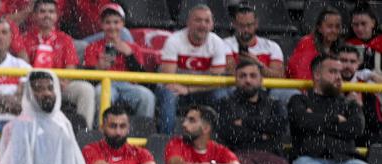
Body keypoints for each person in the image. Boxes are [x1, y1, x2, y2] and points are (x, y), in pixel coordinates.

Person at [289, 54, 382, 164]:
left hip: (345, 159)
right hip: (309, 157)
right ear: (317, 75)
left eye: (339, 73)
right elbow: (302, 121)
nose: (339, 77)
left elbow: (355, 129)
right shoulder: (299, 100)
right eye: (332, 72)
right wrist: (336, 120)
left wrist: (316, 121)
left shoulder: (348, 104)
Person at [216, 59, 294, 164]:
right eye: (243, 76)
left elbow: (279, 127)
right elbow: (228, 132)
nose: (248, 80)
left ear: (261, 79)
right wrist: (263, 134)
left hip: (270, 153)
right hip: (238, 153)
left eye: (253, 76)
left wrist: (245, 122)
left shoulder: (274, 104)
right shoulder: (225, 103)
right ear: (236, 79)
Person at [20, 0, 96, 129]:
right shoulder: (25, 38)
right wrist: (40, 85)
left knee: (86, 89)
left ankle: (85, 133)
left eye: (51, 12)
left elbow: (70, 69)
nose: (47, 15)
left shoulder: (65, 39)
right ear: (34, 15)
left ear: (57, 16)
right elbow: (23, 67)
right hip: (33, 85)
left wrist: (58, 83)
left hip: (60, 85)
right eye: (42, 11)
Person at [157, 4, 230, 134]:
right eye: (198, 20)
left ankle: (220, 139)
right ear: (188, 23)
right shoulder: (174, 40)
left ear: (212, 25)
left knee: (222, 95)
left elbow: (218, 81)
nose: (202, 25)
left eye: (207, 21)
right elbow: (168, 78)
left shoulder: (218, 43)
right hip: (177, 89)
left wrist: (189, 89)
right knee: (168, 95)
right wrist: (186, 88)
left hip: (200, 90)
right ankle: (166, 140)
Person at [82, 3, 156, 119]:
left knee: (147, 96)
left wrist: (129, 55)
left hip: (128, 85)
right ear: (101, 25)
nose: (112, 27)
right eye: (108, 22)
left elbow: (143, 78)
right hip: (106, 84)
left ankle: (142, 133)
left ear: (122, 24)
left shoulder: (133, 47)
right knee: (100, 94)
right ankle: (100, 132)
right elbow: (87, 79)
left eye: (116, 22)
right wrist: (98, 68)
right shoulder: (92, 47)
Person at [223, 4, 297, 105]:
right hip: (236, 88)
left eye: (249, 25)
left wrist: (259, 65)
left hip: (267, 90)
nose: (245, 30)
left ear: (256, 24)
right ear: (234, 24)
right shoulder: (224, 44)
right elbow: (227, 72)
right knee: (223, 93)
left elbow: (279, 77)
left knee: (292, 94)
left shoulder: (271, 47)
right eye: (241, 25)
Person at [338, 44, 382, 146]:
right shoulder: (328, 81)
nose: (348, 65)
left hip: (364, 135)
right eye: (343, 60)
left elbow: (374, 123)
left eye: (352, 61)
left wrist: (360, 107)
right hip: (337, 136)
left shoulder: (366, 83)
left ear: (359, 63)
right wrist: (346, 104)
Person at [287, 7, 343, 80]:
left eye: (337, 27)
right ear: (319, 28)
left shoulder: (340, 47)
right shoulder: (307, 43)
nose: (334, 30)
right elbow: (301, 74)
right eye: (329, 26)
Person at [347, 4, 382, 74]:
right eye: (355, 24)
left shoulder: (380, 41)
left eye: (363, 23)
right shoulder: (347, 45)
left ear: (373, 23)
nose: (359, 28)